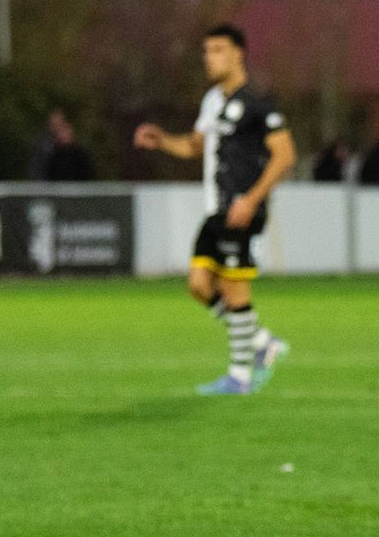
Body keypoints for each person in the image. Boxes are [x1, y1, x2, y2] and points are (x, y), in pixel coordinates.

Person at [133, 23, 294, 395]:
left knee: (235, 290)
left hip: (241, 209)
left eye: (218, 49)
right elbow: (194, 147)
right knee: (199, 285)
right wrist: (162, 141)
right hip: (215, 210)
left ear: (239, 53)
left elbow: (285, 156)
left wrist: (252, 200)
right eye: (206, 51)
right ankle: (261, 343)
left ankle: (240, 377)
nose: (210, 57)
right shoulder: (212, 101)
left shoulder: (258, 102)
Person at [43, 110, 96, 181]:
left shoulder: (81, 155)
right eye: (61, 133)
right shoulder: (55, 156)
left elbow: (88, 175)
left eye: (66, 132)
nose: (63, 136)